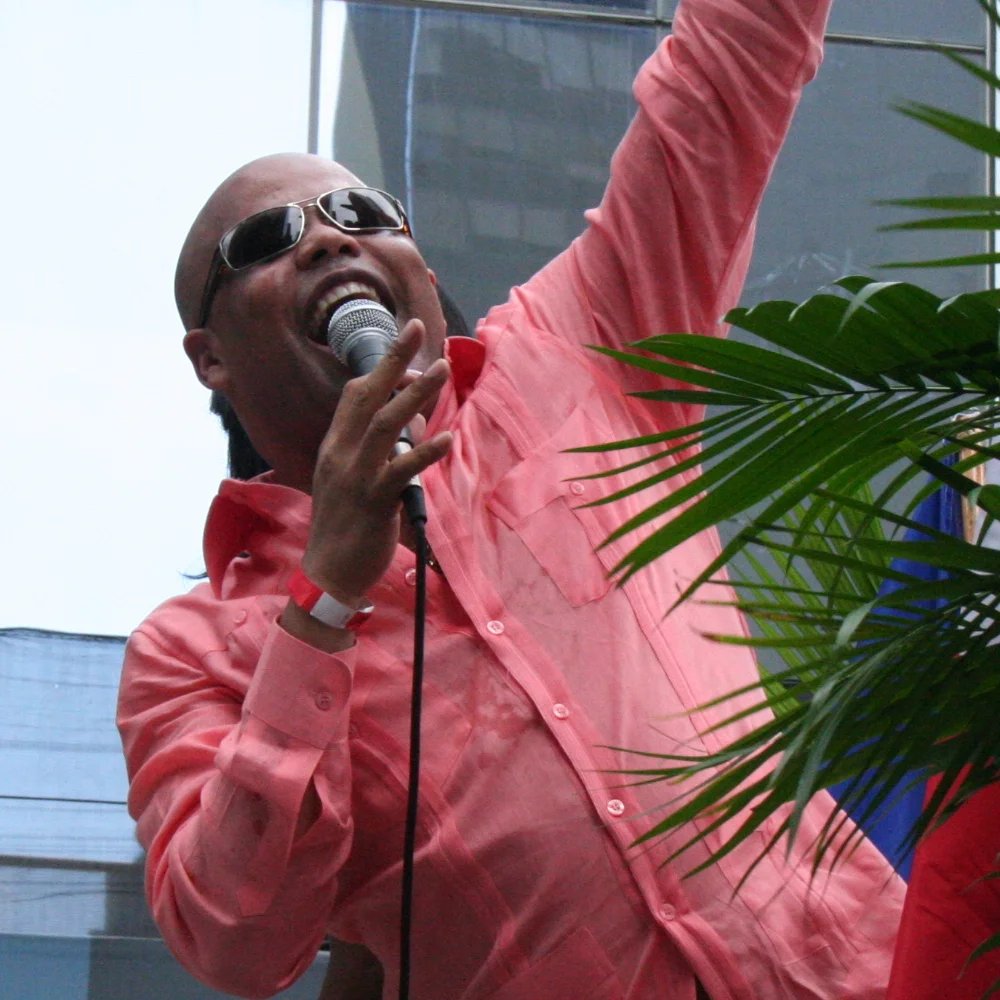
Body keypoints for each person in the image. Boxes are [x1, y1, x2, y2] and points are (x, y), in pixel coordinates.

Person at [117, 0, 906, 997]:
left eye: (363, 214)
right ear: (212, 357)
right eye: (269, 239)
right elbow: (233, 935)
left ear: (418, 267)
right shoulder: (190, 655)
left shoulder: (576, 354)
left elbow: (725, 81)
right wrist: (322, 605)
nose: (329, 242)